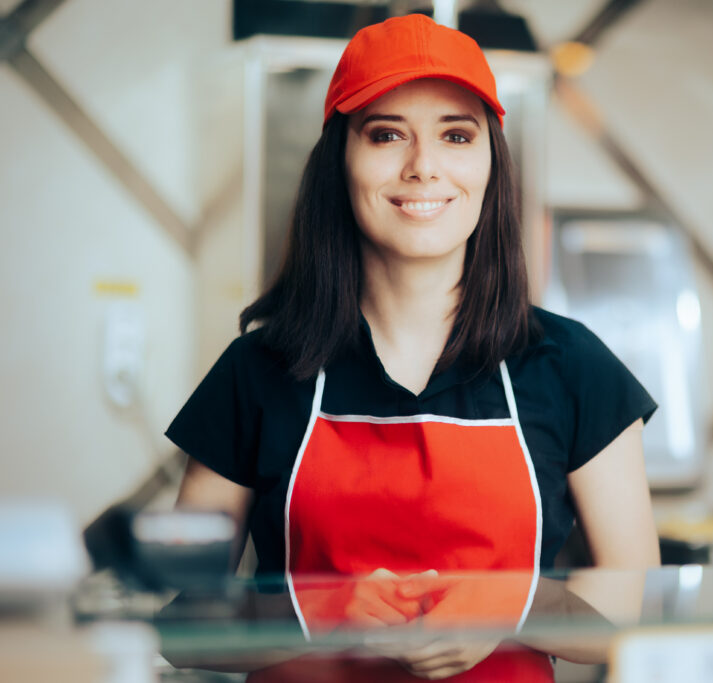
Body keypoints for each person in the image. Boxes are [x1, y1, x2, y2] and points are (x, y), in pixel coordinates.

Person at [167, 12, 659, 681]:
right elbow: (184, 621)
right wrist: (325, 609)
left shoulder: (573, 365)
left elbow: (640, 609)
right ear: (340, 159)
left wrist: (509, 602)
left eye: (456, 134)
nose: (424, 167)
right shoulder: (257, 370)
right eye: (386, 134)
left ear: (492, 163)